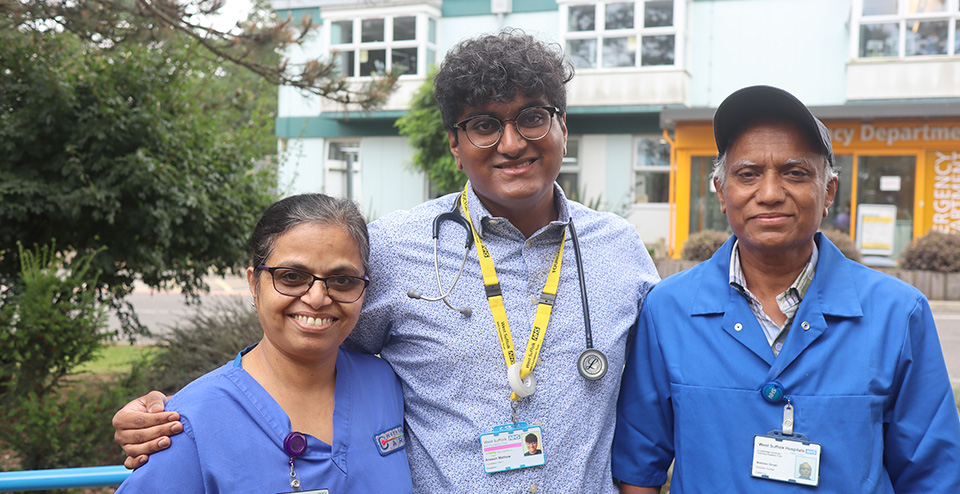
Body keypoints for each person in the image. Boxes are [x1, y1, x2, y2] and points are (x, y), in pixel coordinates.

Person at [112, 29, 659, 492]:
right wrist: (179, 417)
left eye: (532, 117)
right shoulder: (393, 248)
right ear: (454, 143)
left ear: (563, 125)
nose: (511, 143)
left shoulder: (620, 251)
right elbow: (304, 340)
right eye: (484, 124)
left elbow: (659, 390)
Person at [612, 85, 960, 493]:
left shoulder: (898, 314)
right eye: (748, 174)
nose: (771, 193)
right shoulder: (668, 310)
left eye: (795, 173)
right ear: (722, 193)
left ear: (828, 192)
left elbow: (933, 476)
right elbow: (638, 467)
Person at [115, 194, 413, 493]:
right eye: (292, 276)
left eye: (343, 280)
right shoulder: (190, 423)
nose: (318, 298)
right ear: (253, 283)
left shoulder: (383, 385)